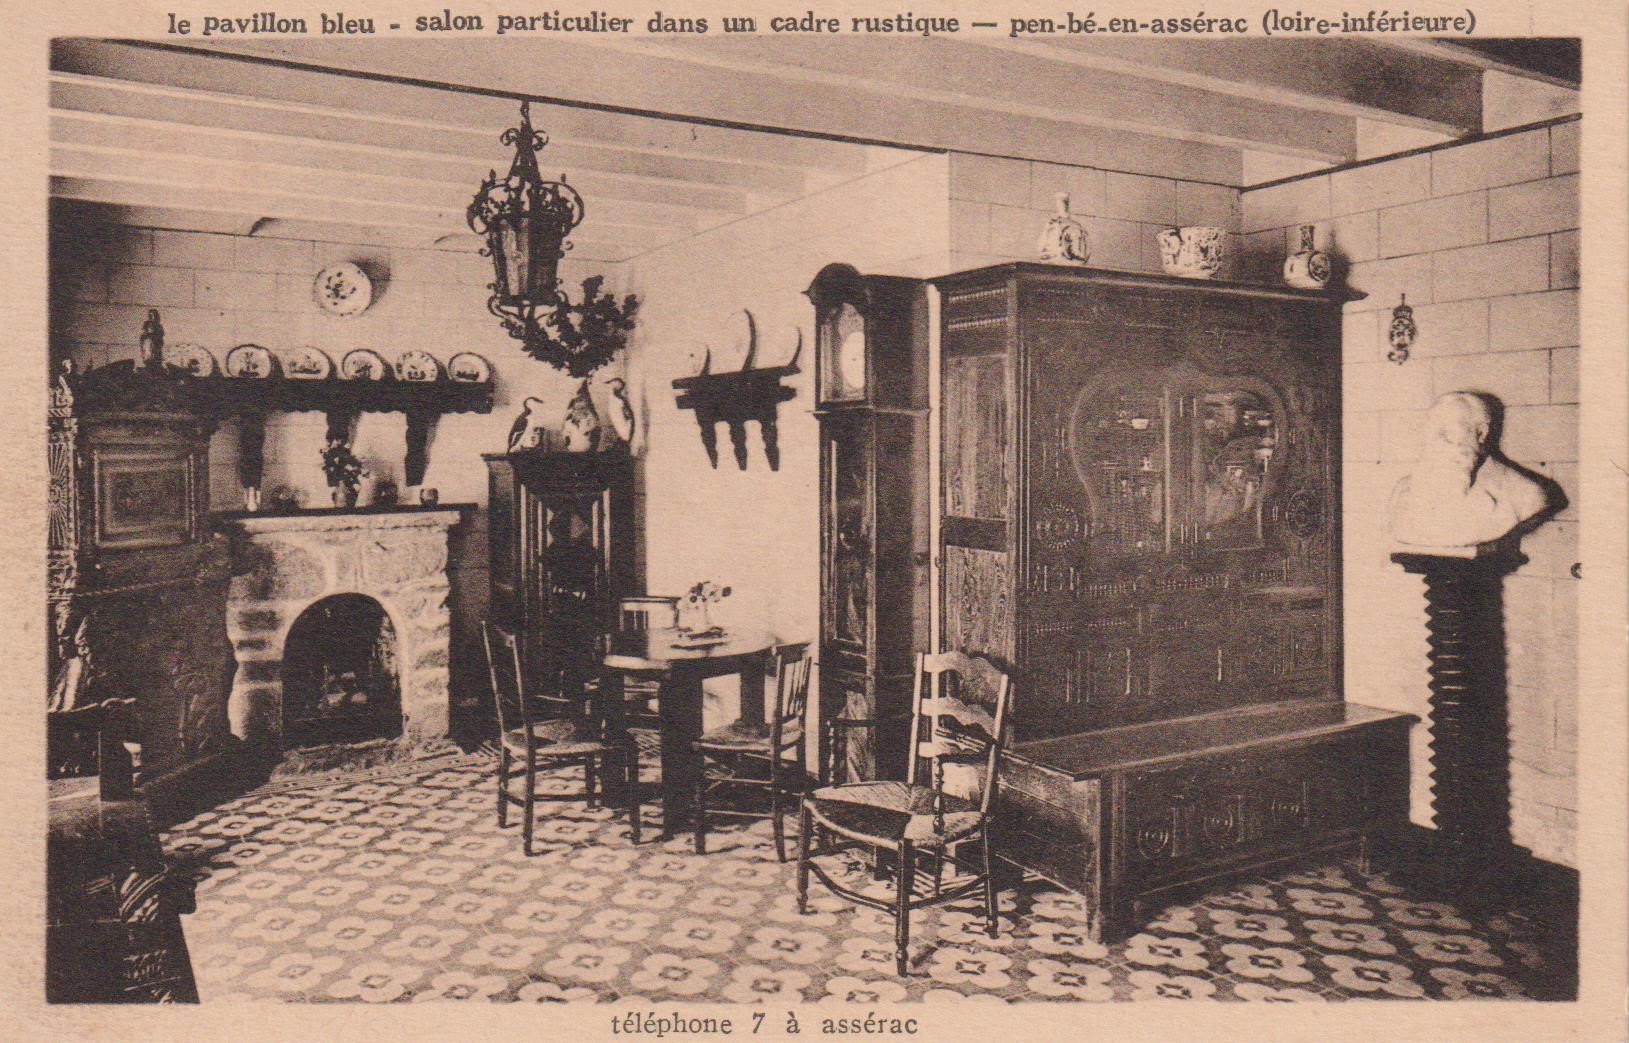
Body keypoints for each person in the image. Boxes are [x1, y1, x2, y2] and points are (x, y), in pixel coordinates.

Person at [1388, 392, 1549, 549]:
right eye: (1432, 430)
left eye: (1448, 430)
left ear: (1481, 433)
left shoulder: (1525, 494)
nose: (1438, 440)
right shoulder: (1404, 489)